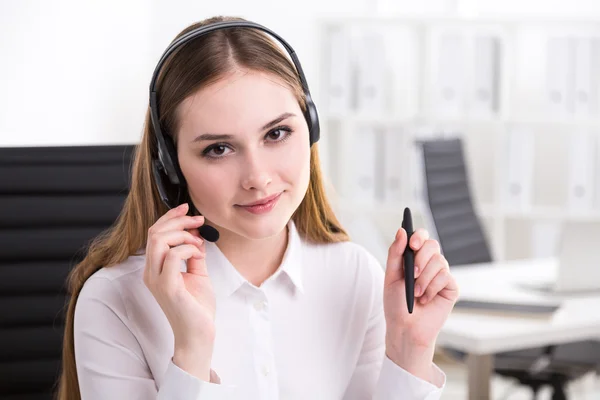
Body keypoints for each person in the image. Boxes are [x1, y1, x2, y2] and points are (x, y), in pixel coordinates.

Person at [56, 15, 459, 400]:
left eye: (277, 133)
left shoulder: (355, 274)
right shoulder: (114, 300)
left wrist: (411, 350)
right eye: (218, 148)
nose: (258, 177)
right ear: (170, 166)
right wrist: (192, 350)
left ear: (311, 128)